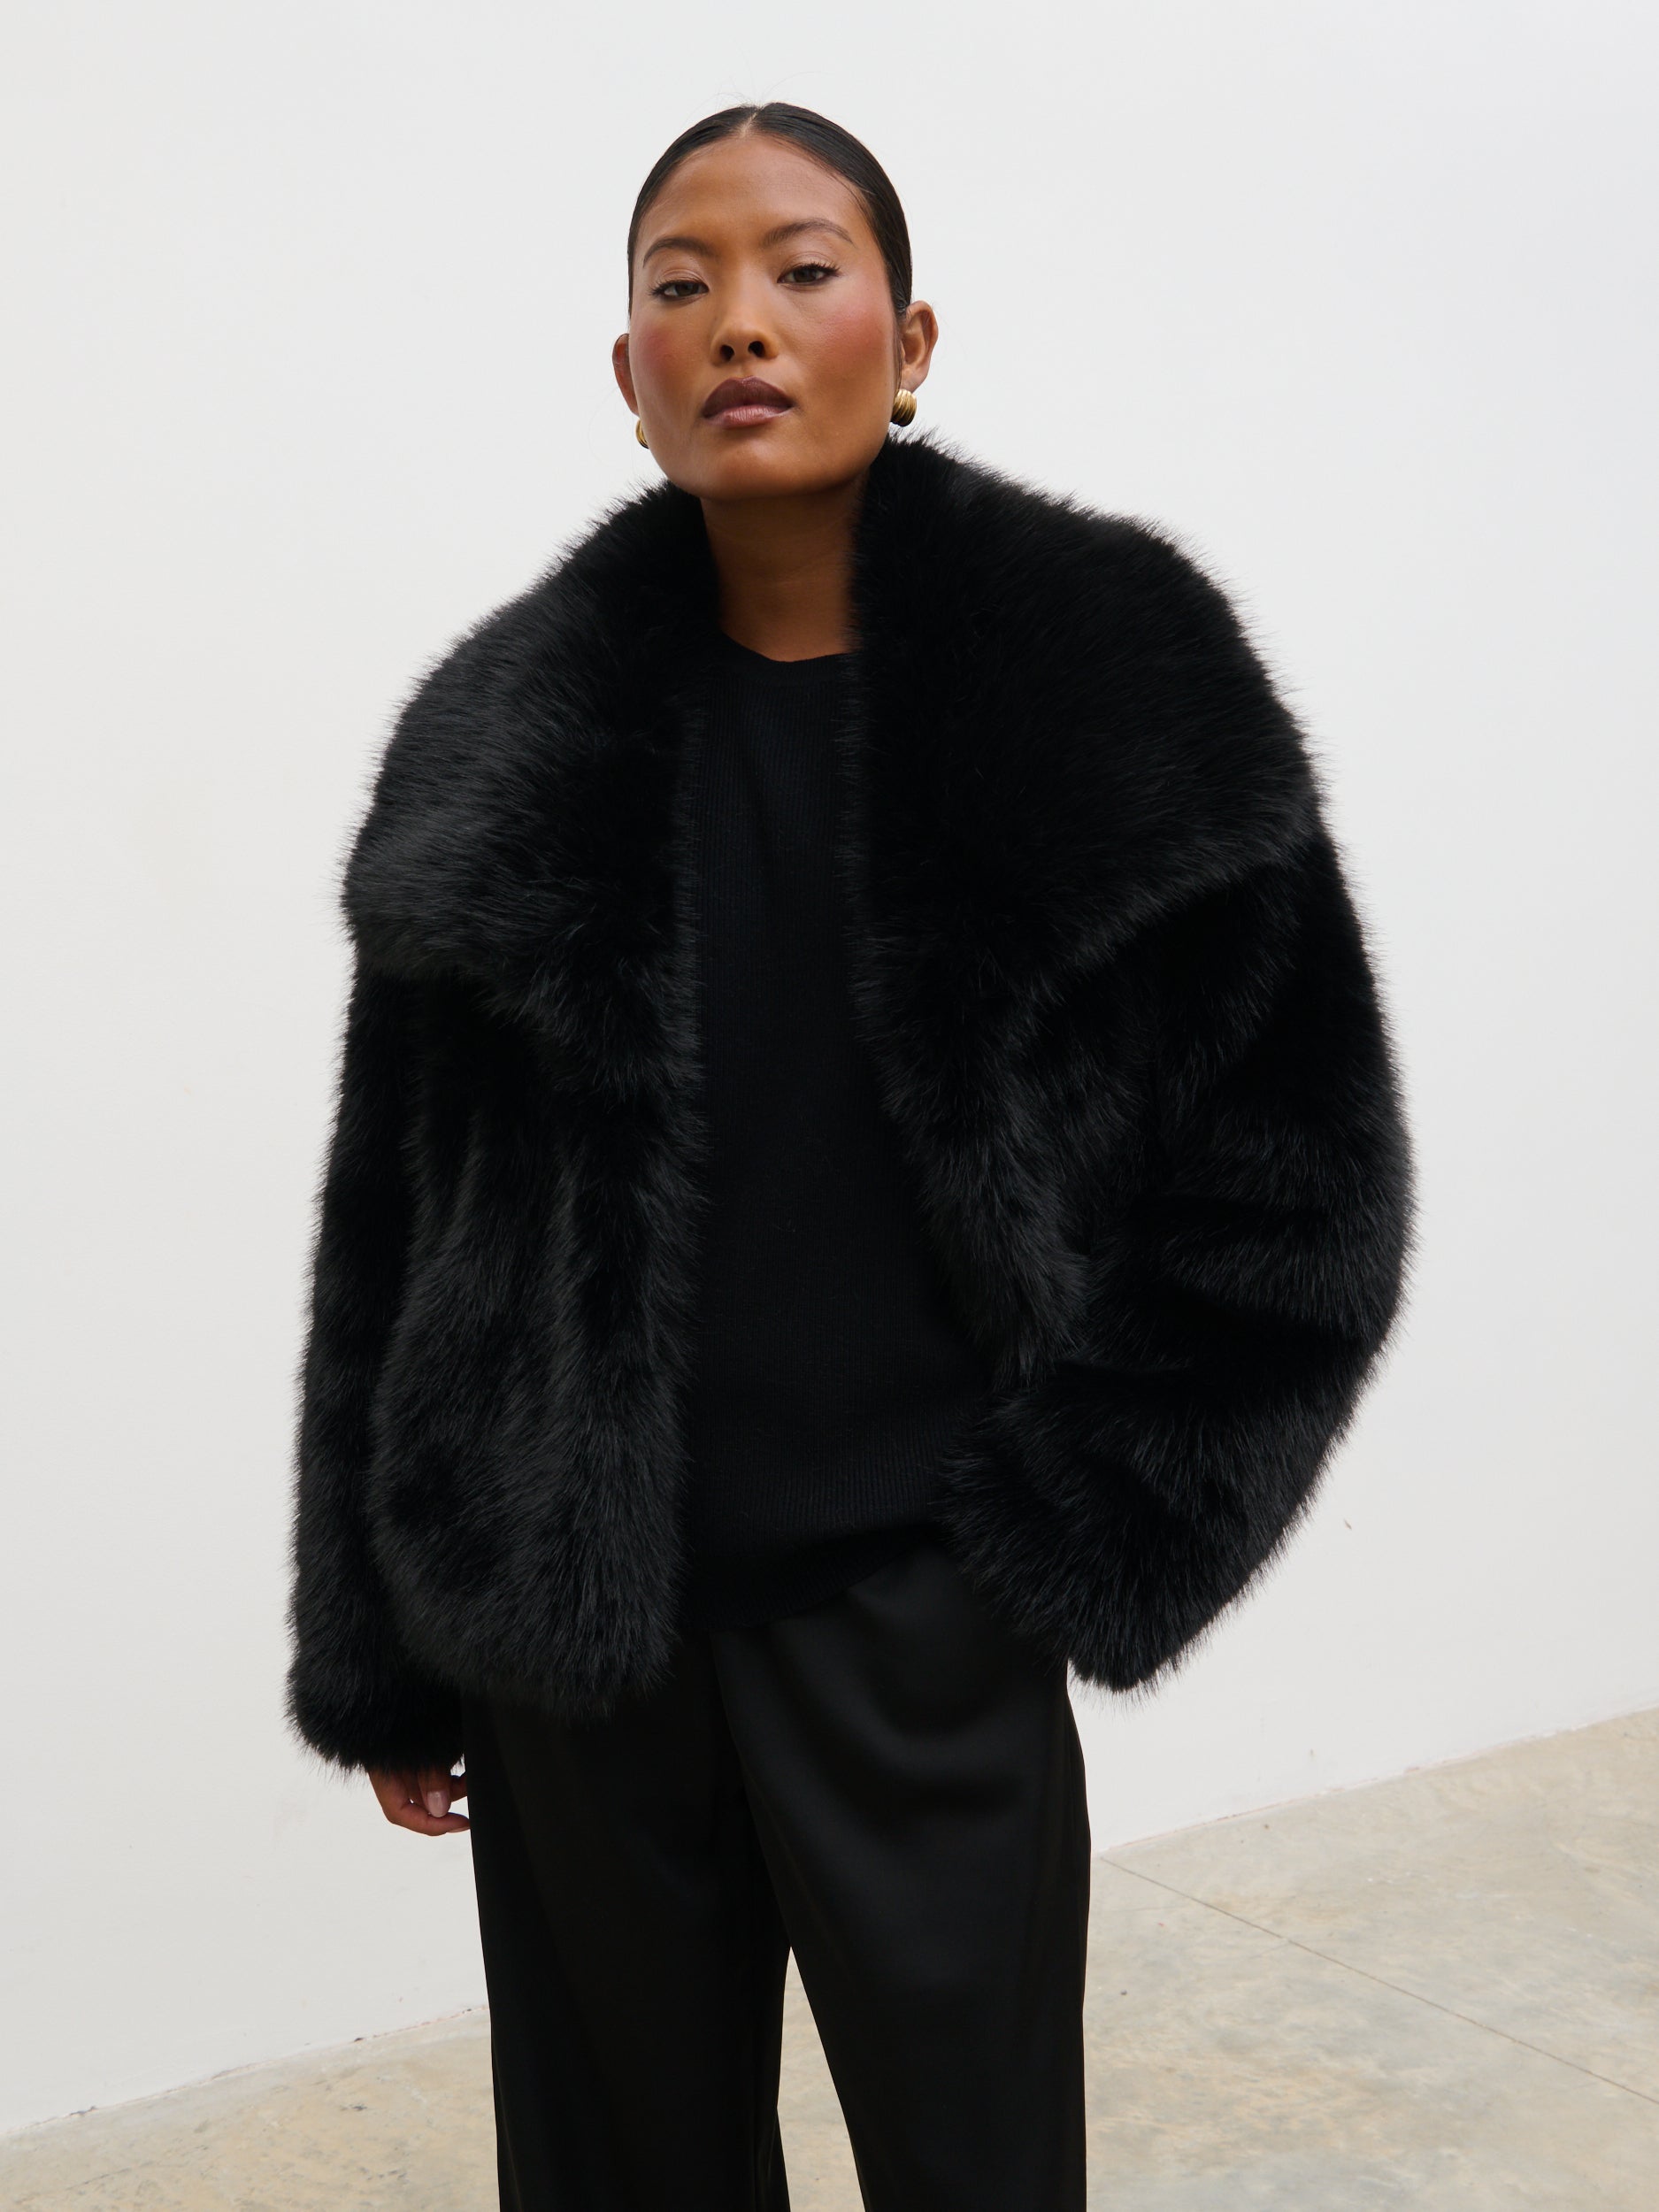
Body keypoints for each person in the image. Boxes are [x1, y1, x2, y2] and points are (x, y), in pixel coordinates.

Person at [285, 102, 1415, 2211]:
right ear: (626, 373)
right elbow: (392, 1227)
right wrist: (383, 1633)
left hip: (920, 1611)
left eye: (801, 269)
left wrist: (1076, 1529)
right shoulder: (494, 747)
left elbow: (1298, 1180)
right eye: (681, 281)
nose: (739, 319)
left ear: (907, 342)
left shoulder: (1114, 679)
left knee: (977, 2168)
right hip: (576, 1646)